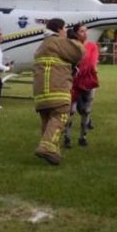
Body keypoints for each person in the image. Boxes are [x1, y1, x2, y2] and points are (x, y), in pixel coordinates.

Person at [31, 18, 84, 165]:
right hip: (57, 88)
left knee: (48, 121)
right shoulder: (58, 42)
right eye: (65, 29)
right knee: (61, 116)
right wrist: (74, 40)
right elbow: (78, 53)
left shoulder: (42, 45)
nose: (66, 31)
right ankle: (46, 147)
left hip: (40, 92)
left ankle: (53, 152)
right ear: (59, 29)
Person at [64, 24, 99, 148]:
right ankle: (67, 137)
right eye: (81, 31)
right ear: (76, 33)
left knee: (86, 110)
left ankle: (83, 137)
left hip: (88, 80)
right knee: (71, 110)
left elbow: (93, 63)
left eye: (85, 31)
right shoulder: (72, 47)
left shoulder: (92, 46)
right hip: (74, 80)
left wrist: (94, 73)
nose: (85, 33)